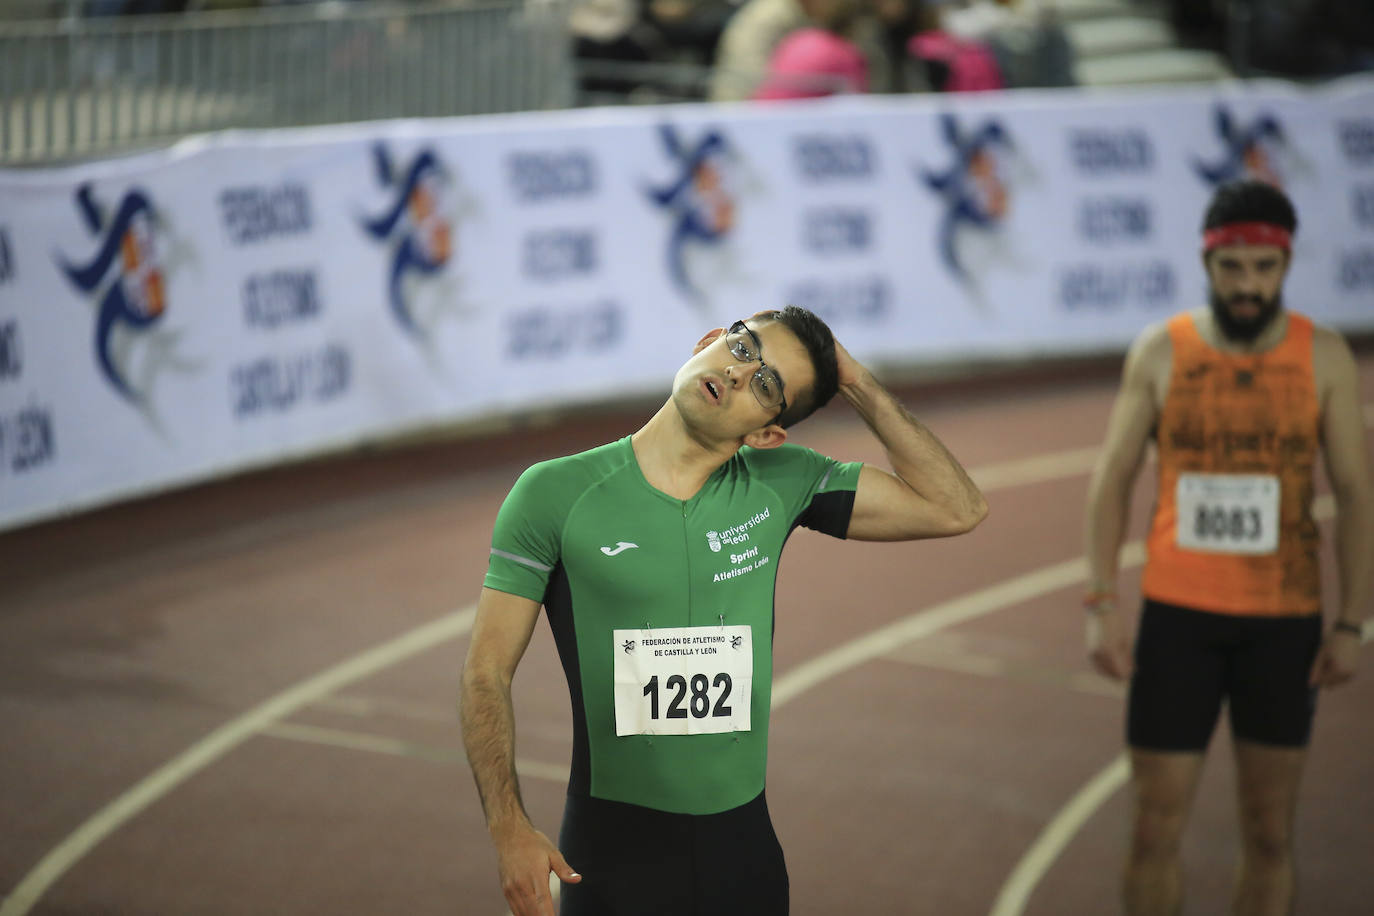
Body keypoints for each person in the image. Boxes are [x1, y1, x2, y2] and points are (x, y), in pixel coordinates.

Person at [460, 305, 988, 916]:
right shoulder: (552, 493)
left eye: (767, 386)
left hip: (743, 863)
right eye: (742, 350)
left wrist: (856, 382)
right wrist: (508, 827)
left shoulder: (783, 481)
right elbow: (485, 673)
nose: (739, 376)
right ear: (709, 341)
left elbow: (957, 508)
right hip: (611, 864)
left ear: (768, 432)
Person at [1083, 179, 1372, 915]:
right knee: (1153, 828)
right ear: (1209, 265)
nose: (1248, 287)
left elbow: (1358, 495)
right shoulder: (1161, 351)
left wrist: (1351, 622)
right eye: (1233, 269)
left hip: (1284, 621)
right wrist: (1101, 603)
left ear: (1286, 266)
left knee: (1270, 834)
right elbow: (1111, 478)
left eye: (1264, 270)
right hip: (1180, 618)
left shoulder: (1325, 357)